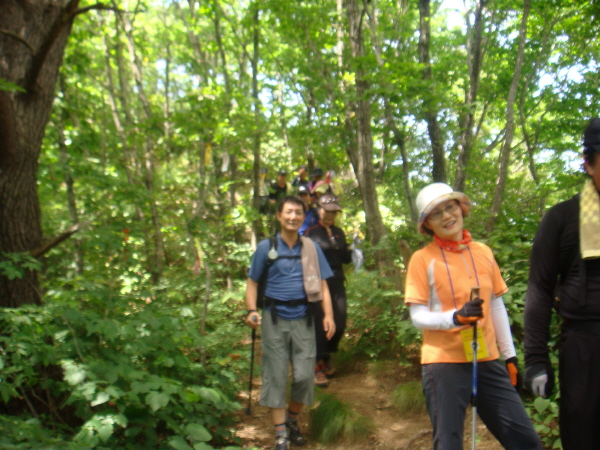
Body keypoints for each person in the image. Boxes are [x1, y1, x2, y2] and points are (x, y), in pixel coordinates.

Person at [405, 182, 542, 450]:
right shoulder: (422, 260)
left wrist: (510, 357)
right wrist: (455, 317)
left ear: (461, 209)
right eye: (436, 213)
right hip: (443, 363)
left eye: (450, 206)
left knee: (526, 441)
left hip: (487, 358)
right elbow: (417, 315)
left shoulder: (483, 252)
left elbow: (495, 306)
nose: (446, 216)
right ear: (427, 224)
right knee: (449, 444)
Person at [524, 118, 600, 450]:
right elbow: (540, 289)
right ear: (588, 163)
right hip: (584, 346)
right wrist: (536, 360)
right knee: (583, 433)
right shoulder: (561, 219)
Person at [245, 196, 336, 450]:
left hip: (304, 318)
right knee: (275, 376)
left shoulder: (310, 247)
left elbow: (324, 284)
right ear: (279, 215)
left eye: (298, 212)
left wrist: (328, 315)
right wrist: (252, 310)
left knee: (305, 377)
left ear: (302, 216)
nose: (293, 216)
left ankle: (292, 420)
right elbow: (252, 282)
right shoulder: (266, 247)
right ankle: (280, 434)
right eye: (288, 212)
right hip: (274, 319)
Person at [305, 194, 352, 387]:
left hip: (337, 281)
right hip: (316, 283)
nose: (331, 214)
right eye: (328, 210)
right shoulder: (310, 233)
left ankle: (327, 356)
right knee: (319, 323)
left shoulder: (339, 232)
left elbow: (346, 259)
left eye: (334, 211)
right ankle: (317, 364)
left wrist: (353, 250)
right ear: (319, 210)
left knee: (339, 323)